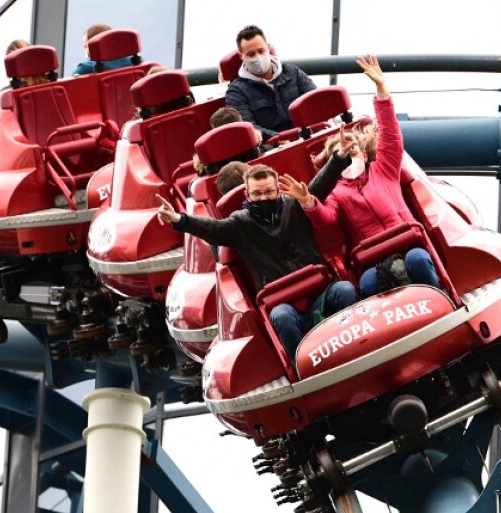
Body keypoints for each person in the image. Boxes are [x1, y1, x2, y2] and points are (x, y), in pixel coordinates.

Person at [154, 165, 354, 354]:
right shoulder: (240, 223)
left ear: (278, 190)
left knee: (344, 289)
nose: (264, 198)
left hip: (319, 292)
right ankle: (304, 364)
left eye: (269, 192)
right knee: (282, 316)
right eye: (257, 194)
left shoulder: (293, 205)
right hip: (284, 304)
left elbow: (321, 185)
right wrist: (179, 220)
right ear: (248, 195)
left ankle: (352, 344)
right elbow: (212, 230)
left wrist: (339, 157)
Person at [297, 56, 440, 299]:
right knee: (368, 282)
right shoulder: (337, 191)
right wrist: (308, 202)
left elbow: (391, 135)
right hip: (374, 257)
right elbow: (325, 218)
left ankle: (439, 296)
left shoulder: (382, 169)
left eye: (351, 151)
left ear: (363, 153)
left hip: (407, 244)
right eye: (341, 157)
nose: (348, 158)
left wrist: (381, 90)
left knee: (417, 260)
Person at [224, 25, 316, 143]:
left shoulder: (293, 73)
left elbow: (315, 101)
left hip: (309, 134)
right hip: (272, 148)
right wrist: (278, 138)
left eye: (261, 51)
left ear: (268, 48)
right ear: (241, 56)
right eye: (251, 54)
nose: (258, 58)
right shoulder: (236, 92)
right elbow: (247, 127)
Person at [71, 24, 136, 75]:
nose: (86, 50)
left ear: (95, 45)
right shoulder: (135, 62)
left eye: (86, 46)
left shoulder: (85, 68)